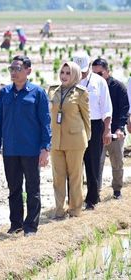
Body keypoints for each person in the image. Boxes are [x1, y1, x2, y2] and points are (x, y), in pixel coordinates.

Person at [0, 55, 51, 236]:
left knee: (32, 188)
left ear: (28, 71)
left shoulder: (37, 93)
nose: (14, 72)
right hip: (10, 149)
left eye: (18, 69)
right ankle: (15, 224)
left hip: (31, 149)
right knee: (14, 188)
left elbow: (45, 122)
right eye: (12, 69)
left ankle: (31, 226)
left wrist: (45, 148)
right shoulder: (4, 93)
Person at [47, 62, 90, 218]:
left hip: (75, 141)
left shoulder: (81, 92)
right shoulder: (52, 90)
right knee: (58, 177)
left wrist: (86, 139)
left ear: (75, 75)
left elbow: (87, 119)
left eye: (68, 73)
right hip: (56, 140)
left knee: (75, 176)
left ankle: (75, 210)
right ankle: (59, 210)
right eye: (62, 72)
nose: (64, 76)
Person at [73, 52, 113, 210]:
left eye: (83, 70)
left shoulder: (99, 82)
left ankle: (92, 199)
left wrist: (107, 129)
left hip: (95, 125)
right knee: (75, 163)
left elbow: (106, 108)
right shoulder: (69, 80)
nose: (81, 73)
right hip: (74, 125)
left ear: (89, 66)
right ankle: (74, 200)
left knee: (92, 162)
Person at [92, 58, 129, 199]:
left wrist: (120, 128)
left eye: (100, 73)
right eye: (94, 73)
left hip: (115, 132)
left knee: (117, 162)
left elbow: (124, 109)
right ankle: (96, 192)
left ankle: (117, 191)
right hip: (97, 133)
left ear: (108, 71)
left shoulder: (118, 87)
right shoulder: (92, 87)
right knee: (97, 163)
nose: (97, 77)